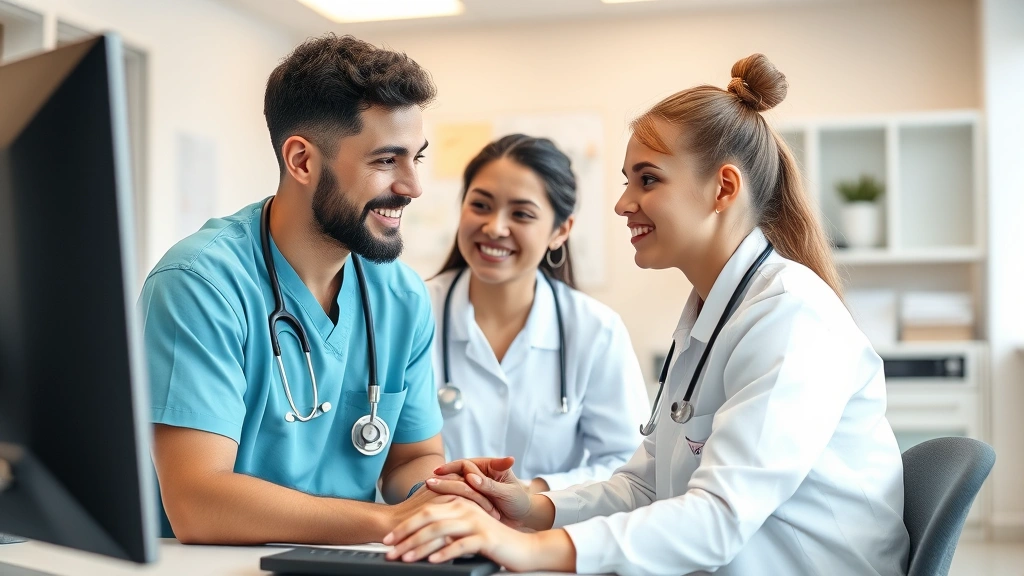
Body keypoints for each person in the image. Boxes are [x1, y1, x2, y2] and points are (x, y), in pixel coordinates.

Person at [382, 54, 910, 576]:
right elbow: (643, 485)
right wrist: (531, 507)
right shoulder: (711, 316)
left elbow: (718, 518)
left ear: (723, 188)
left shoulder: (792, 318)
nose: (622, 204)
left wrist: (527, 548)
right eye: (627, 180)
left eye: (648, 180)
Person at [139, 34, 494, 545]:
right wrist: (389, 521)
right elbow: (199, 502)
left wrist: (437, 494)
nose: (413, 185)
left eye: (416, 157)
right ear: (302, 161)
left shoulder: (400, 296)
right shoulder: (200, 286)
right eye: (385, 160)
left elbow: (411, 456)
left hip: (339, 559)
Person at [427, 134, 649, 493]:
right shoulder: (415, 311)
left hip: (541, 537)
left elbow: (629, 463)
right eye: (480, 205)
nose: (495, 227)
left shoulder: (596, 330)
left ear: (561, 230)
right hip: (431, 527)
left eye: (521, 214)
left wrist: (531, 493)